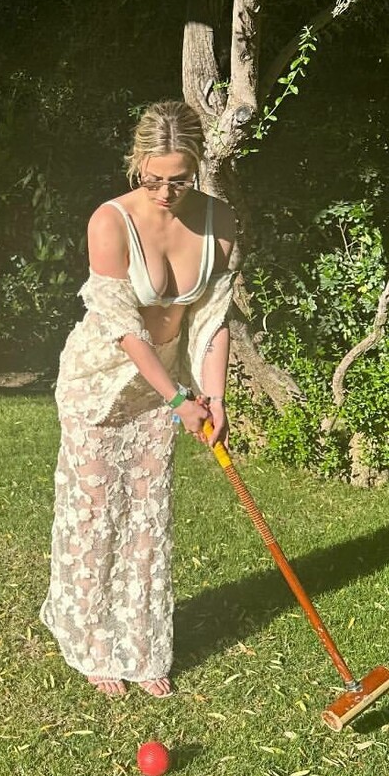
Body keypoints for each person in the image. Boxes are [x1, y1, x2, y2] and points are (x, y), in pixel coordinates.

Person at [40, 100, 237, 697]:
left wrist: (214, 396)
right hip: (100, 384)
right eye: (154, 179)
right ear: (136, 163)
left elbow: (212, 318)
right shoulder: (110, 221)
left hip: (162, 386)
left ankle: (142, 647)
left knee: (148, 520)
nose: (166, 192)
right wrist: (180, 399)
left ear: (197, 167)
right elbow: (125, 330)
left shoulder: (220, 221)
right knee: (95, 518)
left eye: (180, 179)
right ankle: (91, 643)